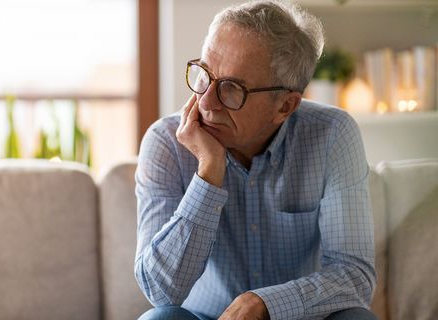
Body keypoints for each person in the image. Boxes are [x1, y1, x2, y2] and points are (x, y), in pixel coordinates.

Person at [134, 1, 377, 319]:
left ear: (286, 106)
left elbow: (355, 276)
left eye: (232, 88)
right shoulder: (166, 142)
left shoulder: (333, 134)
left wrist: (264, 304)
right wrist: (209, 171)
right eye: (205, 74)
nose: (206, 101)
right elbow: (161, 292)